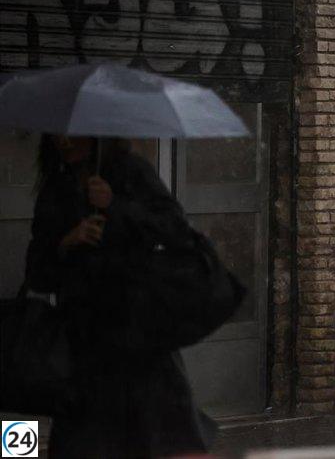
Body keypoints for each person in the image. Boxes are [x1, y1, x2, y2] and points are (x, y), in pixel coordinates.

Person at [23, 135, 215, 458]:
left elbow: (174, 230)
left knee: (147, 437)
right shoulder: (55, 190)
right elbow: (37, 274)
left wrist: (117, 205)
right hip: (83, 344)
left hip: (137, 338)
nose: (64, 141)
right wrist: (66, 242)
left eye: (73, 133)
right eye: (56, 133)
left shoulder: (131, 173)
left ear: (96, 133)